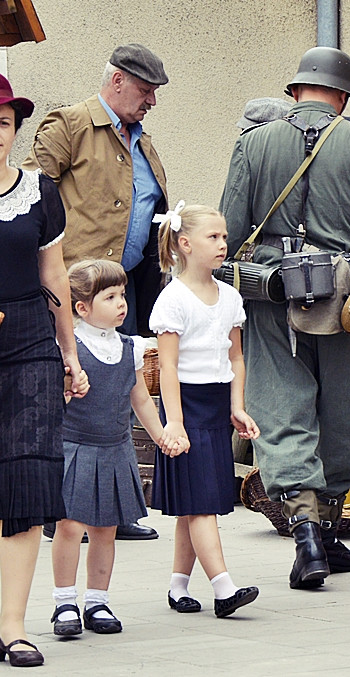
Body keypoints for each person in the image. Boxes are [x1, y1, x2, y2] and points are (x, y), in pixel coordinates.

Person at [220, 47, 350, 590]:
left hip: (272, 300)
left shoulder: (252, 144)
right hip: (348, 302)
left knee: (282, 410)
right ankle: (324, 532)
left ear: (296, 90)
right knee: (343, 409)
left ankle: (309, 537)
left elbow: (228, 240)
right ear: (345, 96)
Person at [24, 43, 171, 542]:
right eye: (146, 91)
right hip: (71, 296)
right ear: (117, 81)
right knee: (63, 402)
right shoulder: (70, 124)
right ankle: (56, 509)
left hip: (117, 297)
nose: (151, 101)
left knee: (114, 402)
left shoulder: (142, 141)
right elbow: (28, 195)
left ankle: (112, 506)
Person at [0, 74, 88, 668]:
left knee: (26, 486)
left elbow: (55, 277)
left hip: (30, 343)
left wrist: (70, 356)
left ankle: (11, 626)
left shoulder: (39, 191)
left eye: (1, 124)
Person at [51, 261, 187, 638]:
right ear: (82, 308)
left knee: (105, 529)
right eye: (110, 297)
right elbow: (54, 400)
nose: (121, 303)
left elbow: (140, 398)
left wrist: (161, 434)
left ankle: (97, 600)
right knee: (70, 525)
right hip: (75, 448)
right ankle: (64, 601)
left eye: (122, 295)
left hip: (116, 448)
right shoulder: (69, 348)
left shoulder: (131, 348)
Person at [150, 203, 260, 618]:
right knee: (201, 504)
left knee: (197, 503)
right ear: (184, 244)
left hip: (215, 408)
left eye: (224, 237)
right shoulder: (172, 300)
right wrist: (174, 421)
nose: (222, 244)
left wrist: (237, 407)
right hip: (186, 407)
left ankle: (179, 588)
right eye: (213, 237)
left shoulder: (230, 297)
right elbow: (168, 366)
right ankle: (223, 587)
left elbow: (236, 359)